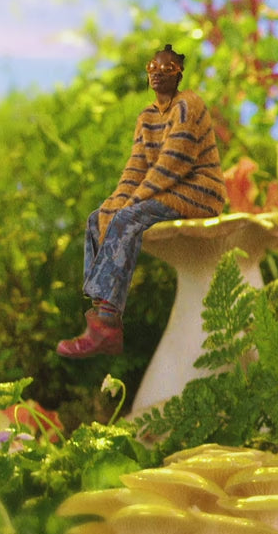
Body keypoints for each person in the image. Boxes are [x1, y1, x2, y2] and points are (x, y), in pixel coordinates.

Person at [56, 44, 227, 358]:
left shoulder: (188, 105)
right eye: (153, 67)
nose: (158, 74)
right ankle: (102, 321)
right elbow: (136, 168)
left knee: (127, 219)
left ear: (179, 74)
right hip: (163, 191)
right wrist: (116, 200)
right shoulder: (147, 116)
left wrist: (129, 203)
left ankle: (106, 322)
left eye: (167, 69)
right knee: (98, 217)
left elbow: (173, 165)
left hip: (198, 191)